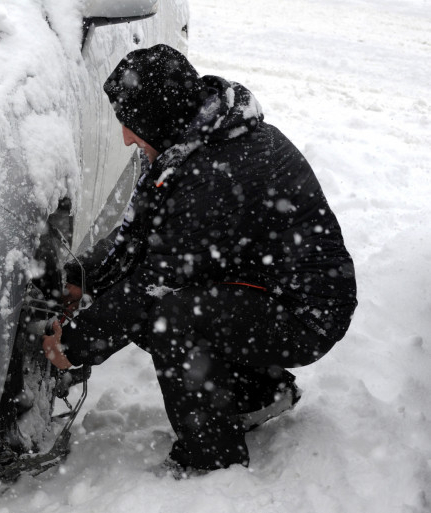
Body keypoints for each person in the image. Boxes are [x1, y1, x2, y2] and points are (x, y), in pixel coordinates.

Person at [42, 44, 357, 477]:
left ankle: (212, 461)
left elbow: (155, 282)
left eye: (131, 125)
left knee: (169, 315)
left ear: (157, 117)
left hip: (306, 313)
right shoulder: (197, 139)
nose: (126, 137)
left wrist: (74, 347)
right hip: (263, 284)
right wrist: (84, 276)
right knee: (155, 305)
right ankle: (256, 393)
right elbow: (151, 234)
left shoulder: (216, 169)